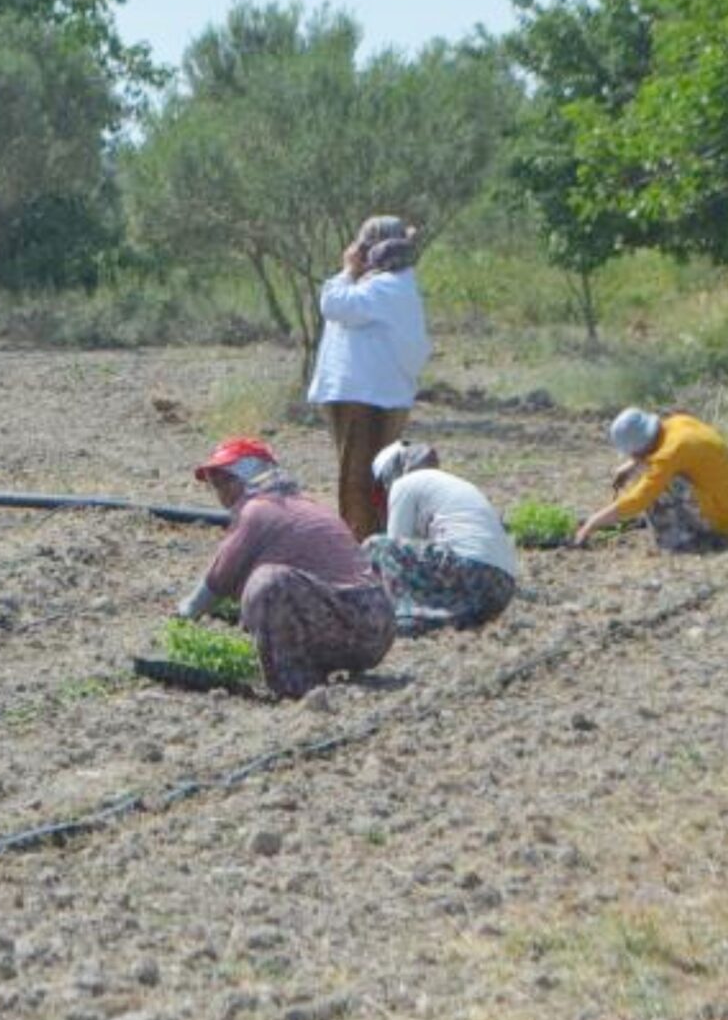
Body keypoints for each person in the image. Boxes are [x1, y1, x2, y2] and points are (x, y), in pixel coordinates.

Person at [175, 436, 395, 699]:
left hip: (353, 617)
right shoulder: (306, 505)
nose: (221, 492)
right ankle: (311, 672)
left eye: (226, 480)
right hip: (376, 623)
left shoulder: (257, 510)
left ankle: (295, 686)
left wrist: (181, 619)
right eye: (215, 484)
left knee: (266, 584)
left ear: (248, 477)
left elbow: (217, 580)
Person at [306, 214, 432, 541]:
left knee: (358, 480)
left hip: (363, 396)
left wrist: (348, 268)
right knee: (377, 479)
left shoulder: (383, 287)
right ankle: (375, 546)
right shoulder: (395, 285)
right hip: (379, 394)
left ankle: (360, 551)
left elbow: (333, 304)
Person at [364, 441, 519, 633]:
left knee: (376, 546)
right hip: (501, 588)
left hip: (469, 571)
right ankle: (435, 617)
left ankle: (400, 615)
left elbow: (394, 551)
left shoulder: (403, 485)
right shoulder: (448, 483)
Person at [573, 407, 728, 552]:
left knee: (659, 484)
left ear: (641, 448)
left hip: (726, 519)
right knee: (648, 471)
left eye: (634, 453)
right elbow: (655, 451)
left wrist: (592, 523)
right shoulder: (678, 423)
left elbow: (638, 499)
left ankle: (683, 541)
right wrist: (630, 466)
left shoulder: (669, 454)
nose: (634, 457)